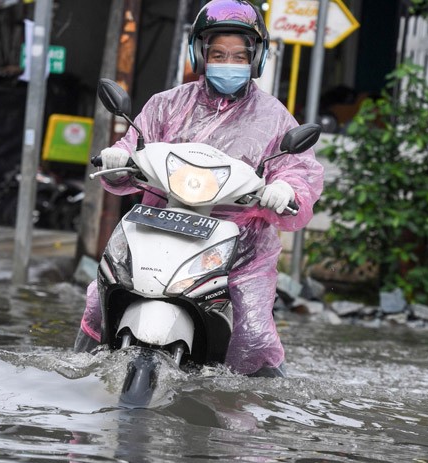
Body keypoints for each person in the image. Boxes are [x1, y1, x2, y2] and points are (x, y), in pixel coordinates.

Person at [74, 0, 324, 377]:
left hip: (240, 250)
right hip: (158, 226)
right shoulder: (165, 105)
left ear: (257, 58)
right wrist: (116, 158)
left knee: (253, 336)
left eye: (240, 55)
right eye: (219, 53)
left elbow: (299, 172)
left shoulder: (275, 119)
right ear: (200, 54)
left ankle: (254, 413)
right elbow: (132, 149)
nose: (229, 62)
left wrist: (287, 191)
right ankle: (78, 373)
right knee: (100, 300)